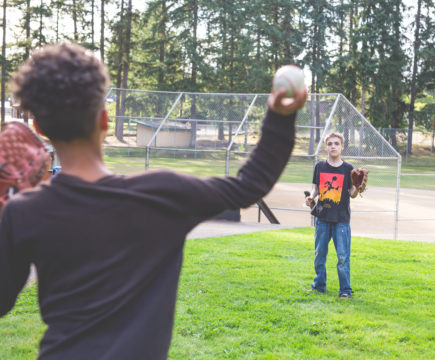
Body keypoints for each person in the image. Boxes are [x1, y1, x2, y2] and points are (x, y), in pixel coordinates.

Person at [0, 42, 307, 359]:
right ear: (105, 120)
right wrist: (280, 117)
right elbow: (249, 186)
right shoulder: (162, 194)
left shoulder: (25, 211)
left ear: (39, 129)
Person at [305, 132, 367, 299]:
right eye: (330, 143)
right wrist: (311, 197)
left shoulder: (348, 169)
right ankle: (319, 286)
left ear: (342, 147)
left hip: (341, 220)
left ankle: (345, 290)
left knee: (342, 256)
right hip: (322, 219)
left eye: (336, 144)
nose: (333, 146)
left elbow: (351, 194)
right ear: (326, 147)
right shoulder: (320, 166)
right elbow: (316, 188)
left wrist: (357, 187)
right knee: (319, 254)